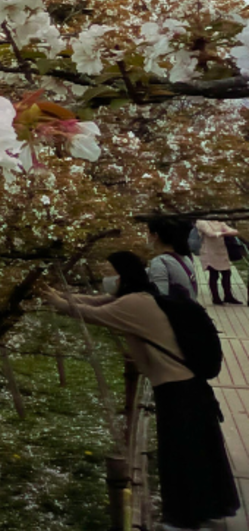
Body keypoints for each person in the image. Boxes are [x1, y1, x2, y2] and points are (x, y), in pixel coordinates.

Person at [43, 251, 239, 530]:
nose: (112, 280)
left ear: (127, 276)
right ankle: (202, 509)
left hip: (177, 390)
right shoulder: (142, 298)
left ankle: (184, 519)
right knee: (195, 452)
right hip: (187, 387)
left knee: (180, 455)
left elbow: (92, 313)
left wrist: (58, 304)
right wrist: (59, 296)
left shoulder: (135, 304)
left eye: (117, 275)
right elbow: (97, 301)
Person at [146, 215, 200, 303]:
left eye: (148, 233)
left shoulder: (160, 262)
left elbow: (161, 296)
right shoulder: (184, 258)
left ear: (155, 235)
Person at [196, 219, 242, 305]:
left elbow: (232, 231)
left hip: (221, 250)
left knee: (227, 273)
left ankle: (228, 296)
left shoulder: (219, 222)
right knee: (214, 274)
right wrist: (224, 233)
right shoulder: (201, 222)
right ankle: (215, 298)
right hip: (209, 251)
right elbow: (210, 233)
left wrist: (224, 232)